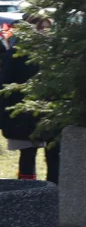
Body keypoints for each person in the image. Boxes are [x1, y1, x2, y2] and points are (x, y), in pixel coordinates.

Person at [1, 15, 54, 182]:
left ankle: (55, 190)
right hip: (25, 112)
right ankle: (28, 192)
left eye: (47, 28)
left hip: (51, 113)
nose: (44, 32)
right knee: (28, 155)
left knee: (54, 156)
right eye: (40, 28)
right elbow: (5, 85)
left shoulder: (54, 54)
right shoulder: (16, 54)